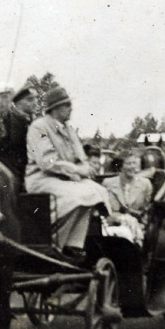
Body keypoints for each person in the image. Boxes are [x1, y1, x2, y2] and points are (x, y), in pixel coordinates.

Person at [25, 86, 110, 262]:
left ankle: (73, 245)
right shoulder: (38, 127)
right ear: (55, 108)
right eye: (67, 105)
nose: (71, 108)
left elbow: (81, 157)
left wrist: (85, 167)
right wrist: (76, 170)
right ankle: (54, 244)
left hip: (66, 179)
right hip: (41, 178)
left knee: (97, 192)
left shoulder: (68, 129)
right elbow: (46, 161)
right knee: (78, 196)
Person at [101, 152, 152, 246]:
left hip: (137, 225)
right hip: (113, 222)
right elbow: (107, 209)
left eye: (134, 163)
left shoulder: (145, 184)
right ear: (120, 166)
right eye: (128, 163)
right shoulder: (108, 183)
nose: (132, 166)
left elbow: (147, 209)